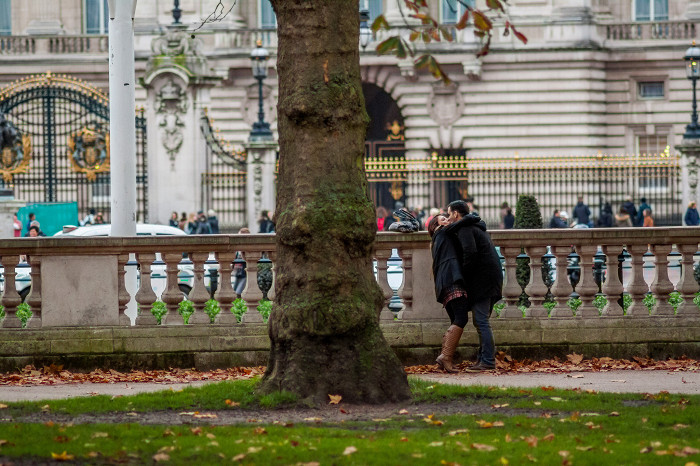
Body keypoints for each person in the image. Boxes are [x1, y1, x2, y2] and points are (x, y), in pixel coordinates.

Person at [440, 200, 503, 372]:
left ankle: (488, 361)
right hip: (488, 279)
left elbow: (470, 253)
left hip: (484, 281)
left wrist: (463, 278)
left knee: (481, 320)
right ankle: (484, 359)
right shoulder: (471, 225)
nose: (447, 216)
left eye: (449, 213)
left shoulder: (465, 228)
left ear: (456, 214)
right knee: (480, 320)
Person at [428, 214, 468, 373]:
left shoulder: (437, 239)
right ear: (435, 225)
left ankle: (445, 358)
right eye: (443, 219)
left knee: (455, 319)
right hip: (452, 279)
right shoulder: (443, 232)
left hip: (445, 281)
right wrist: (470, 217)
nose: (447, 221)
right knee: (461, 318)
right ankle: (445, 357)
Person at [233, 227, 250, 298]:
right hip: (238, 272)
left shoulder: (248, 247)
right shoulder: (237, 248)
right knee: (234, 292)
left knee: (238, 292)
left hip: (244, 273)